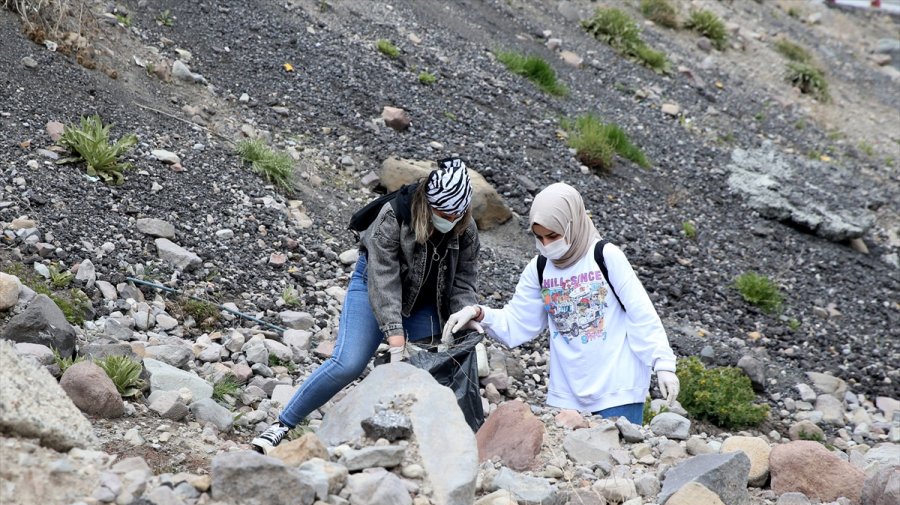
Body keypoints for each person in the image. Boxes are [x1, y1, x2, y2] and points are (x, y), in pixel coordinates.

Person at [251, 158, 480, 453]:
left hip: (426, 301)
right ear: (428, 202)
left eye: (454, 213)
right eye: (441, 212)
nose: (447, 218)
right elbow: (383, 281)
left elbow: (464, 280)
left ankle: (415, 443)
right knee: (349, 363)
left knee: (431, 366)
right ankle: (281, 425)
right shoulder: (394, 216)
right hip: (372, 285)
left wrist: (465, 311)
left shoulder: (465, 228)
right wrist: (395, 334)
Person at [442, 182, 678, 425]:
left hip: (618, 391)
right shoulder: (540, 268)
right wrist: (478, 313)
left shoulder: (605, 257)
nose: (546, 245)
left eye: (553, 236)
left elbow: (641, 312)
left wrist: (663, 364)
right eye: (539, 237)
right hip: (566, 396)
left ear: (572, 224)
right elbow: (518, 322)